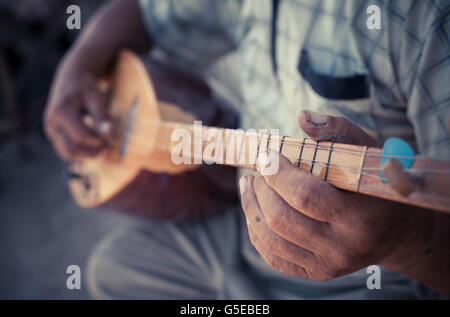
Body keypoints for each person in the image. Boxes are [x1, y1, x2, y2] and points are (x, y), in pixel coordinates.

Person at [44, 0, 450, 299]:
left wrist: (410, 240)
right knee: (115, 270)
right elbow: (146, 11)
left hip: (372, 274)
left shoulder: (426, 18)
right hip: (244, 228)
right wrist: (76, 67)